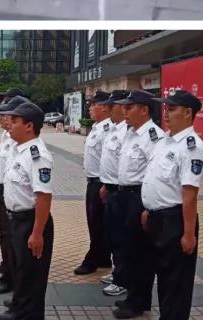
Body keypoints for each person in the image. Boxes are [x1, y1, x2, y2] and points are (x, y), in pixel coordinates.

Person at [141, 90, 203, 320]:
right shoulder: (165, 141)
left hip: (175, 221)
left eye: (171, 109)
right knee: (164, 278)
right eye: (165, 109)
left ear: (188, 113)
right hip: (157, 218)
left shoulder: (192, 147)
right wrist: (148, 209)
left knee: (176, 283)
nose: (166, 114)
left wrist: (188, 234)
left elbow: (189, 194)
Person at [0, 98, 54, 320]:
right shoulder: (19, 150)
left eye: (14, 120)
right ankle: (19, 309)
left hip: (31, 221)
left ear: (29, 125)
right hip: (16, 220)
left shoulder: (37, 156)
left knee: (32, 273)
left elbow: (43, 197)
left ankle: (29, 314)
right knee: (21, 269)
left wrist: (37, 232)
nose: (9, 124)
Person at [112, 89, 163, 319]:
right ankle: (133, 296)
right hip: (124, 196)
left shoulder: (153, 136)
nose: (125, 110)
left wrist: (146, 207)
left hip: (138, 197)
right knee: (128, 248)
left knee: (141, 251)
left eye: (129, 107)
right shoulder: (131, 133)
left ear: (144, 110)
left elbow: (155, 173)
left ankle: (139, 301)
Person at [0, 88, 28, 295]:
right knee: (5, 235)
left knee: (13, 237)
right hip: (5, 189)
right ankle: (8, 270)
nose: (1, 117)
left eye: (6, 114)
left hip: (15, 194)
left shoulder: (20, 140)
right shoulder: (6, 136)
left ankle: (11, 277)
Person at [76, 91, 114, 275]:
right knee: (95, 221)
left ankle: (92, 259)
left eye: (93, 105)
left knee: (97, 222)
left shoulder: (108, 130)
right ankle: (104, 258)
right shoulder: (97, 127)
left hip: (100, 183)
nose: (90, 108)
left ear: (105, 107)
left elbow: (110, 160)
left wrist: (106, 184)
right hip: (93, 181)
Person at [98, 90, 130, 297]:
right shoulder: (114, 129)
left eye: (113, 105)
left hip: (123, 192)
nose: (109, 109)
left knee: (123, 239)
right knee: (112, 236)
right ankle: (118, 272)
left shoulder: (129, 131)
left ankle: (123, 278)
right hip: (110, 189)